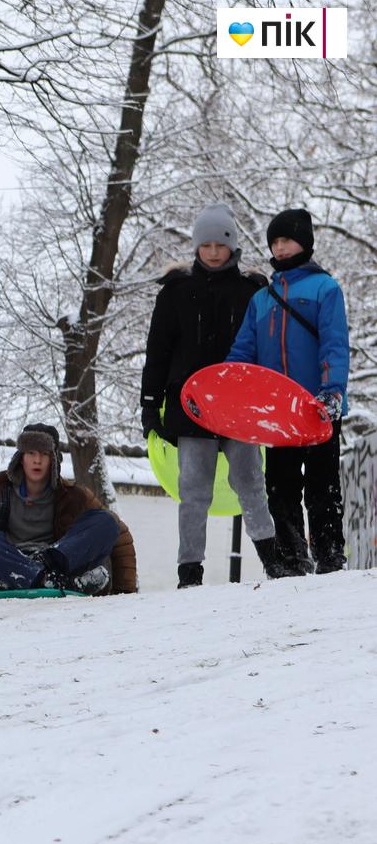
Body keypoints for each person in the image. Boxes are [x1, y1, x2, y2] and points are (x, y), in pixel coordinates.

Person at [141, 203, 280, 588]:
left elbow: (266, 354)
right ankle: (190, 573)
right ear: (197, 246)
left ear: (232, 245)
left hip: (239, 408)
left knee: (251, 482)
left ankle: (272, 561)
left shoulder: (252, 291)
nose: (214, 251)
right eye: (206, 244)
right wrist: (150, 407)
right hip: (190, 407)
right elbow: (158, 353)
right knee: (194, 491)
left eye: (221, 243)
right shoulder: (175, 292)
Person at [225, 208, 351, 575]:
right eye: (275, 241)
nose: (280, 248)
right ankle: (293, 560)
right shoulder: (261, 300)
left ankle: (330, 558)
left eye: (287, 239)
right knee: (279, 489)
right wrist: (228, 390)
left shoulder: (325, 289)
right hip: (276, 414)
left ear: (305, 242)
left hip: (317, 406)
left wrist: (331, 392)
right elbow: (242, 354)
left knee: (322, 487)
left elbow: (334, 344)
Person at [0, 423, 137, 596]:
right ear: (21, 458)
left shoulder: (73, 496)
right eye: (31, 453)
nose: (37, 460)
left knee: (105, 522)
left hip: (58, 563)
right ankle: (44, 580)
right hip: (12, 563)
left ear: (53, 459)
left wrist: (125, 592)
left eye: (44, 454)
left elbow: (119, 534)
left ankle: (45, 575)